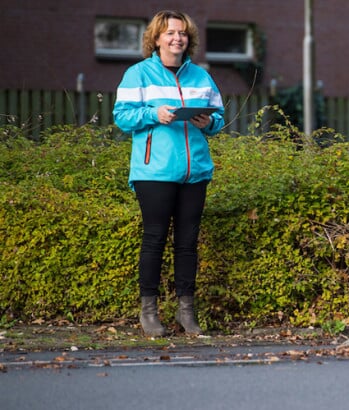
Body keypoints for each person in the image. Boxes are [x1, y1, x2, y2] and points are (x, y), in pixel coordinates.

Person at [113, 10, 225, 336]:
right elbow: (122, 117)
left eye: (183, 33)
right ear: (157, 38)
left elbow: (218, 119)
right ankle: (149, 313)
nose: (178, 38)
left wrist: (209, 123)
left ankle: (186, 313)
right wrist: (153, 113)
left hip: (196, 172)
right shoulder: (138, 74)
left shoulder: (201, 77)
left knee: (188, 243)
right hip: (154, 171)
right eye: (171, 33)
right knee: (154, 240)